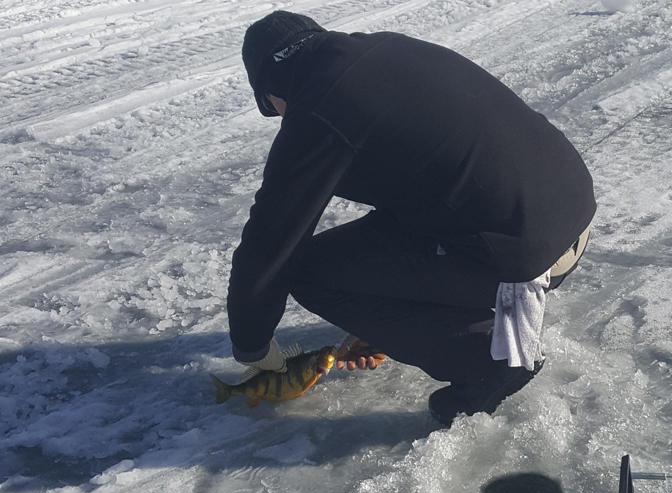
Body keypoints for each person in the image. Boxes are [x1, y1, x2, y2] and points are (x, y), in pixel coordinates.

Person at [229, 11, 595, 425]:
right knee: (394, 222)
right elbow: (421, 174)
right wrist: (387, 314)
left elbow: (271, 243)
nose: (279, 117)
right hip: (569, 215)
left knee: (305, 271)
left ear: (270, 92)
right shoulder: (383, 49)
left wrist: (252, 345)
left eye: (270, 109)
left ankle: (487, 358)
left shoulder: (316, 107)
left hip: (521, 254)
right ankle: (464, 313)